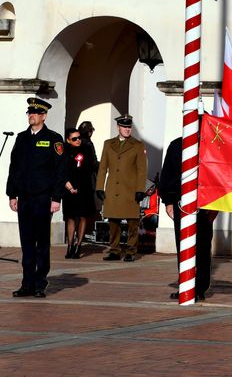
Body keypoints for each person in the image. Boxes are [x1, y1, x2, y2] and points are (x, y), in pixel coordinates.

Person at [6, 97, 66, 298]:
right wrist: (12, 194)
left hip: (43, 198)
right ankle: (27, 283)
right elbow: (14, 168)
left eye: (34, 113)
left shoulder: (54, 139)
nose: (30, 116)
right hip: (24, 198)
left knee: (41, 242)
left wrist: (56, 198)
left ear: (43, 116)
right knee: (27, 242)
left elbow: (60, 171)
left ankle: (40, 282)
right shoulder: (22, 138)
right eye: (29, 113)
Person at [158, 137, 216, 301]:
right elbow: (167, 173)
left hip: (204, 203)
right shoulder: (177, 145)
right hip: (180, 201)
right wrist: (167, 201)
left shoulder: (211, 144)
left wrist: (216, 205)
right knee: (183, 245)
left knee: (203, 246)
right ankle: (185, 284)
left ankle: (200, 287)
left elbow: (218, 175)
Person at [96, 114, 147, 262]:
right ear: (118, 127)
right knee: (113, 222)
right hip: (112, 189)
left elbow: (141, 170)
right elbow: (102, 168)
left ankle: (131, 251)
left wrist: (140, 190)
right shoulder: (108, 144)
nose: (127, 129)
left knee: (132, 223)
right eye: (124, 127)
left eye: (129, 127)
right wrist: (100, 187)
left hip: (130, 189)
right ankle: (115, 250)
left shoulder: (137, 145)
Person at [63, 128, 97, 259]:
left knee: (83, 216)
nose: (78, 141)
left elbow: (90, 167)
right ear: (68, 140)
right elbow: (61, 170)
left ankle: (78, 246)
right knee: (71, 217)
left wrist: (79, 186)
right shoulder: (64, 151)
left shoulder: (86, 149)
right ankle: (70, 245)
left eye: (79, 138)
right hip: (69, 187)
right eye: (74, 139)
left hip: (84, 187)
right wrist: (69, 186)